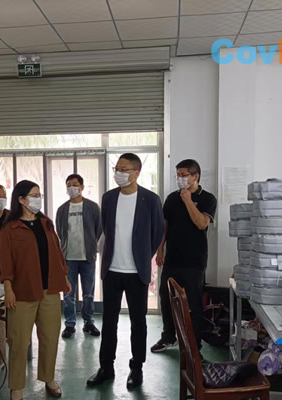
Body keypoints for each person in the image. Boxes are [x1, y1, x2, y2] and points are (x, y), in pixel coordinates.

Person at [87, 153, 163, 390]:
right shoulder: (109, 198)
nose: (118, 173)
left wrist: (143, 256)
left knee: (138, 323)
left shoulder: (150, 199)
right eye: (116, 169)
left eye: (124, 169)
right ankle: (106, 367)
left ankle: (136, 368)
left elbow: (157, 233)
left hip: (136, 272)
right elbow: (106, 229)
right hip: (112, 270)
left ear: (136, 173)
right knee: (108, 322)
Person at [0, 180, 71, 400]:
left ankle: (49, 378)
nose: (38, 199)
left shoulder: (46, 223)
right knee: (19, 341)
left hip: (50, 291)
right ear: (21, 199)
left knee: (50, 337)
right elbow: (6, 262)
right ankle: (16, 387)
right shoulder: (10, 228)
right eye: (34, 195)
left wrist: (64, 276)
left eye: (39, 195)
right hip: (22, 292)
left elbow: (57, 252)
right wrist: (8, 288)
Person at [151, 159, 217, 354]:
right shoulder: (172, 198)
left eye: (183, 175)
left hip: (195, 261)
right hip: (172, 259)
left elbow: (201, 223)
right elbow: (165, 226)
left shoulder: (207, 198)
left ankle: (194, 345)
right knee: (166, 298)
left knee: (194, 304)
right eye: (178, 175)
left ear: (195, 176)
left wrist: (188, 200)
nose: (179, 179)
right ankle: (168, 336)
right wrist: (160, 249)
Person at [55, 174, 102, 339]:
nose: (71, 188)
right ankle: (69, 324)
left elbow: (98, 229)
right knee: (68, 294)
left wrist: (91, 245)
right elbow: (60, 232)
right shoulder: (62, 209)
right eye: (68, 185)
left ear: (82, 187)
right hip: (69, 258)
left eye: (75, 184)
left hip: (87, 258)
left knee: (88, 293)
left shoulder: (92, 207)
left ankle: (88, 322)